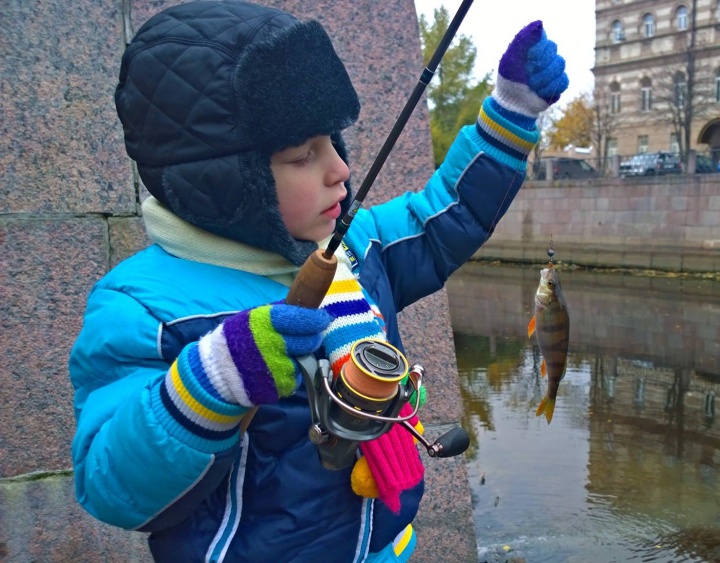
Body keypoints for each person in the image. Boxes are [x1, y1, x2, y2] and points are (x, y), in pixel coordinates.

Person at [68, 2, 568, 561]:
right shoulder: (142, 308)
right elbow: (113, 489)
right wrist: (208, 384)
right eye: (303, 155)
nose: (341, 169)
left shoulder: (355, 247)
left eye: (333, 141)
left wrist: (510, 115)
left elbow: (442, 217)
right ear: (228, 182)